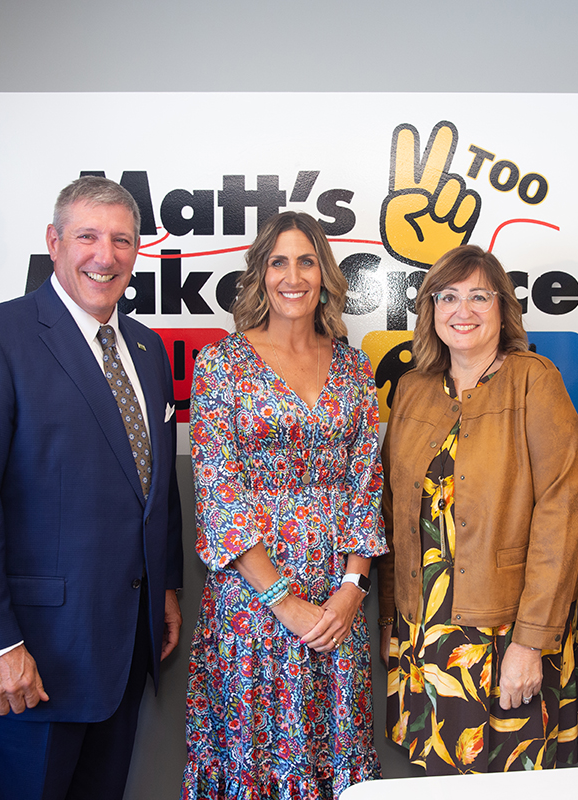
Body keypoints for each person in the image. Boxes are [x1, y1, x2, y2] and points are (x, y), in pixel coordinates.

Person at [0, 176, 184, 799]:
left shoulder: (146, 349)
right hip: (24, 660)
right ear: (54, 241)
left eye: (122, 240)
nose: (105, 256)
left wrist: (166, 587)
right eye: (88, 236)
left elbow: (154, 488)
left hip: (120, 649)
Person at [183, 211, 386, 798]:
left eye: (306, 261)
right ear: (260, 274)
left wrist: (351, 591)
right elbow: (219, 493)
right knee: (253, 754)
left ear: (325, 274)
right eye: (278, 262)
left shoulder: (354, 367)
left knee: (332, 751)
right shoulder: (221, 365)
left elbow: (365, 485)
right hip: (252, 605)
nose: (292, 276)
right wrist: (282, 600)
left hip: (334, 607)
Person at [377, 244, 578, 774]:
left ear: (502, 308)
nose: (462, 310)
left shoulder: (533, 380)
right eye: (447, 297)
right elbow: (393, 514)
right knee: (439, 779)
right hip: (426, 631)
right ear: (430, 309)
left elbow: (562, 512)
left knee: (513, 779)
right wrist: (389, 619)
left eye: (479, 296)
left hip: (507, 631)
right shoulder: (412, 390)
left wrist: (530, 644)